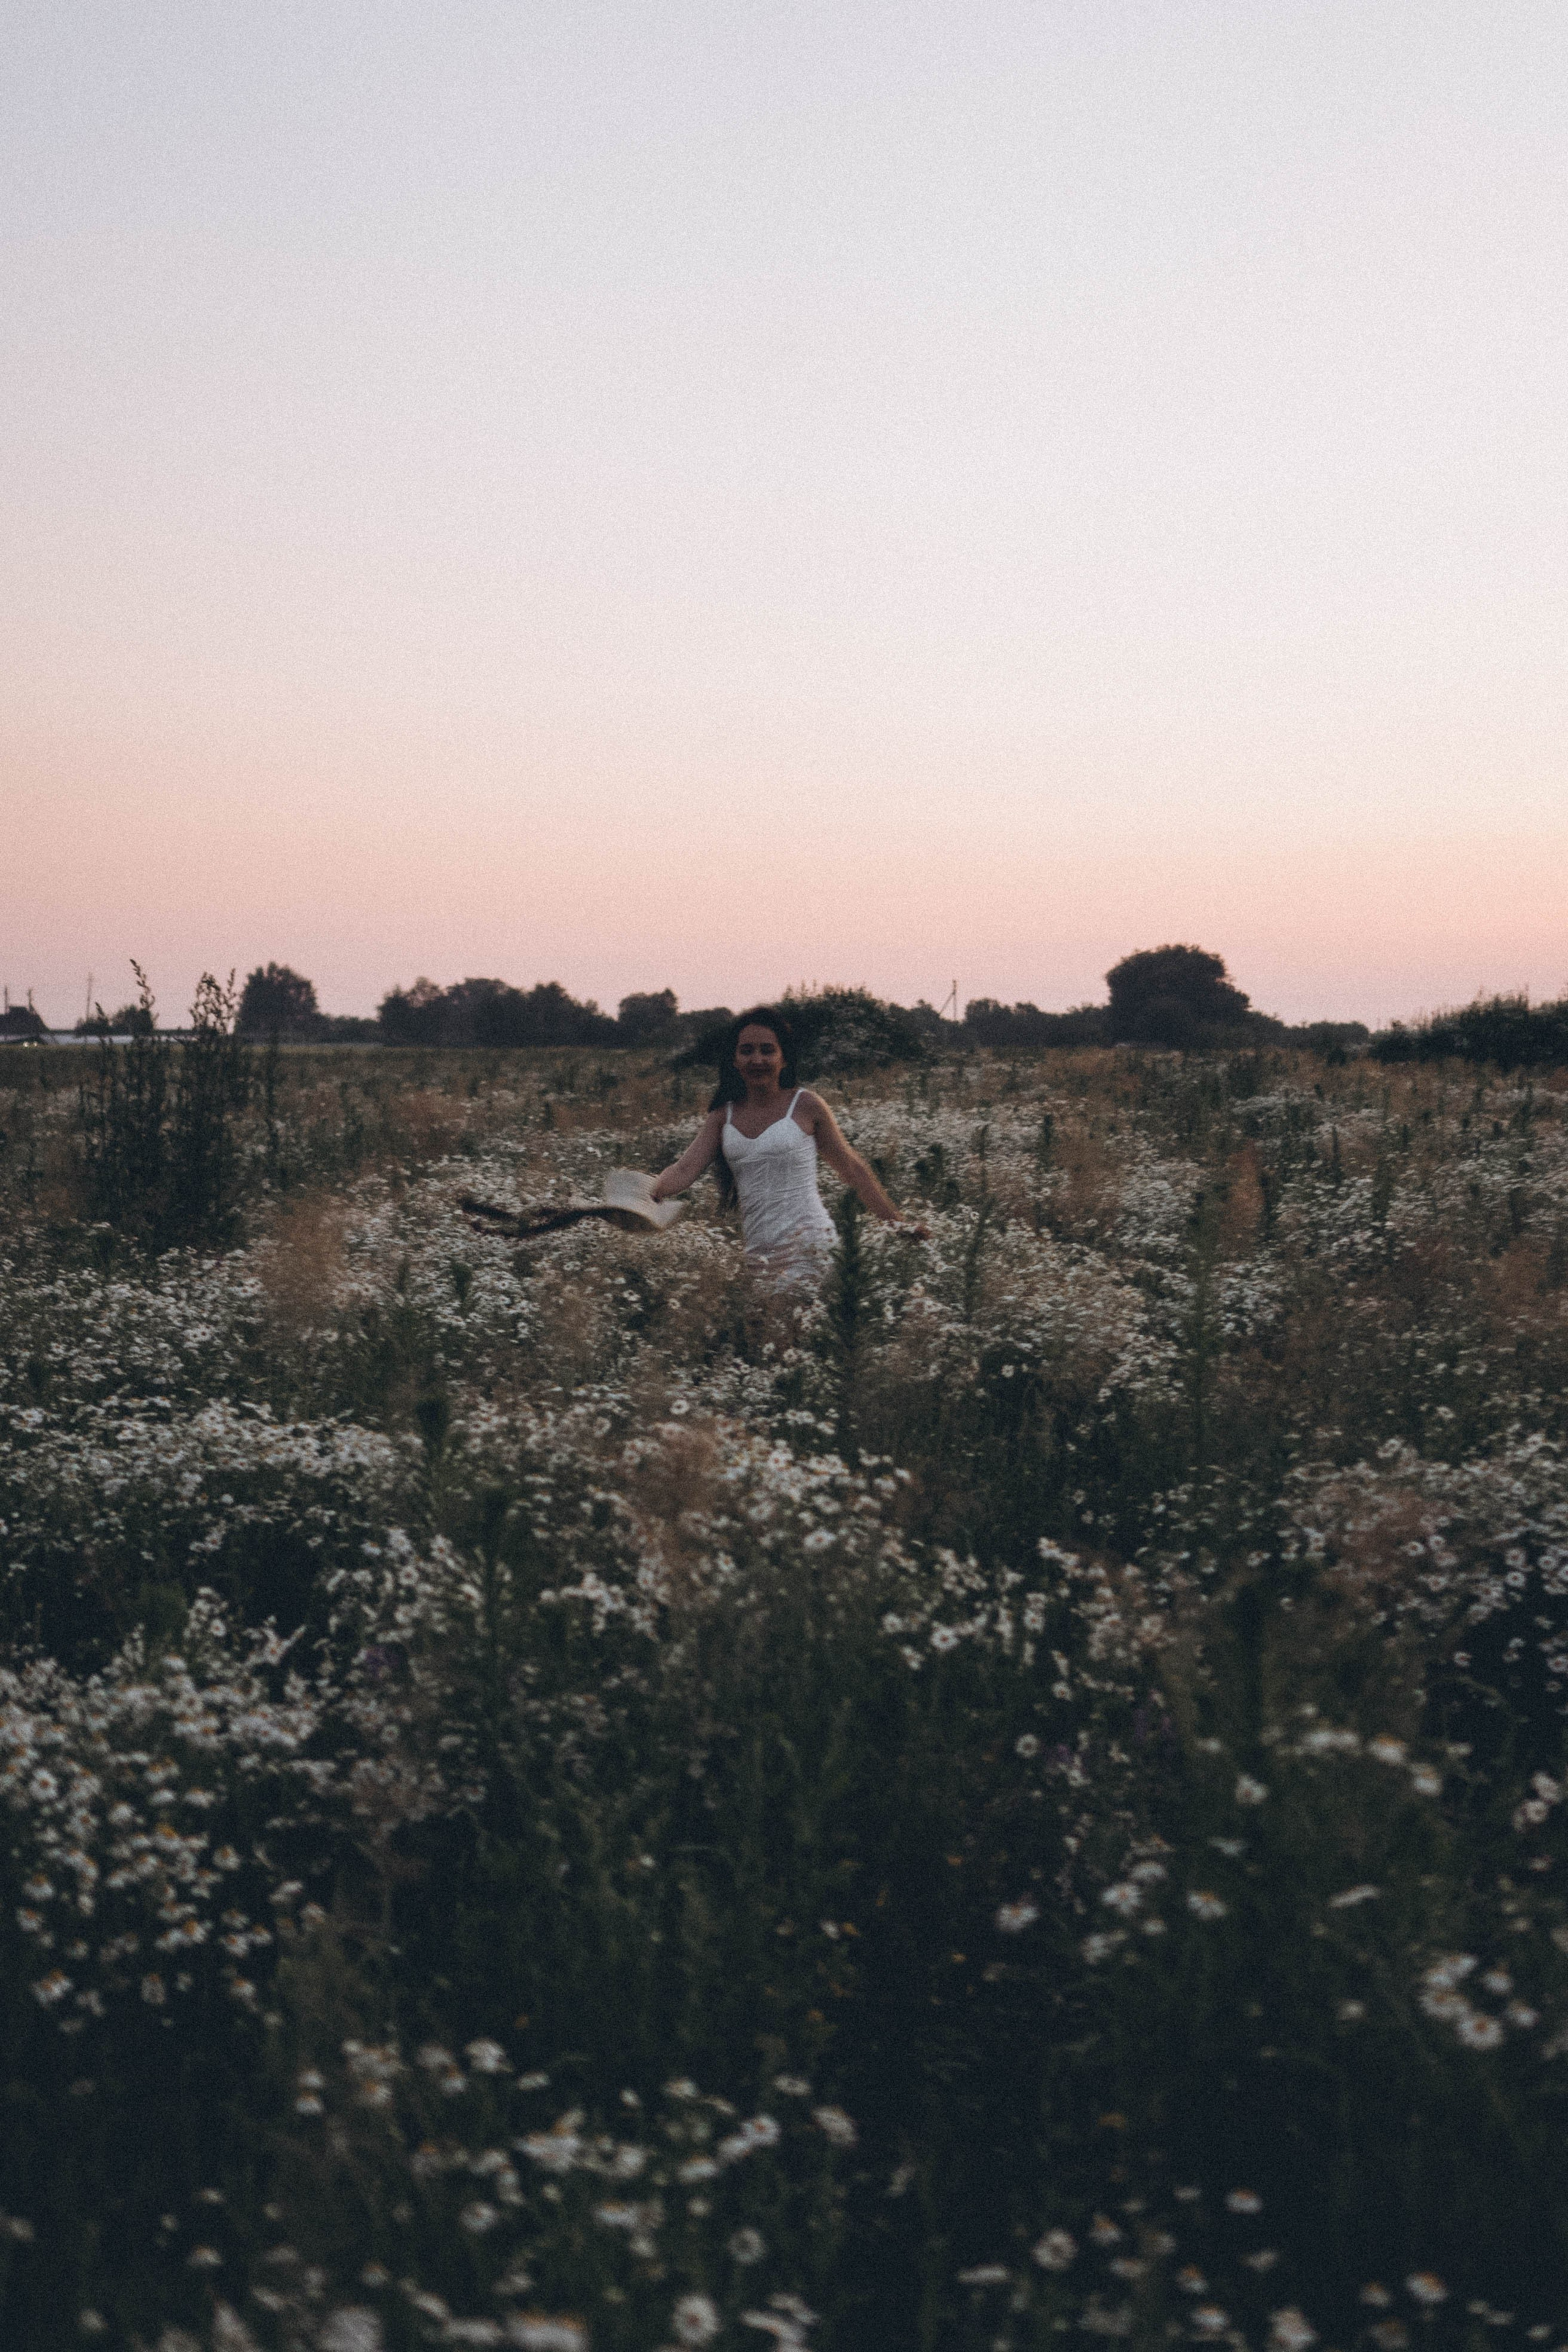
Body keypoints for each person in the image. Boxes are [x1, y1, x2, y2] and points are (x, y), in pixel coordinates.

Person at [649, 1006, 926, 1287]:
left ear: (784, 1058)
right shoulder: (723, 1115)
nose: (757, 1059)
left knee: (786, 1323)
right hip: (760, 1256)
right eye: (746, 1050)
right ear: (734, 1060)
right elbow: (685, 1169)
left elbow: (852, 1169)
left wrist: (897, 1224)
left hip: (811, 1246)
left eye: (767, 1050)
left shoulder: (806, 1105)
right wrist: (644, 1195)